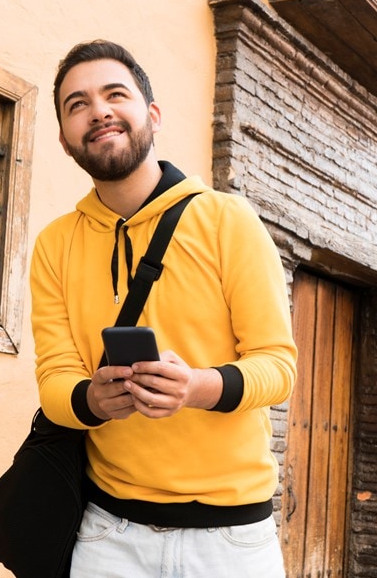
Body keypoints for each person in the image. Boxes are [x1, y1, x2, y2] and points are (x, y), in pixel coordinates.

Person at [29, 39, 297, 577]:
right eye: (76, 104)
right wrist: (92, 400)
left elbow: (278, 367)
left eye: (114, 94)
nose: (98, 110)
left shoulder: (228, 220)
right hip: (110, 536)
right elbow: (55, 381)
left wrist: (196, 387)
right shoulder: (55, 245)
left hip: (232, 541)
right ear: (64, 139)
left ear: (151, 114)